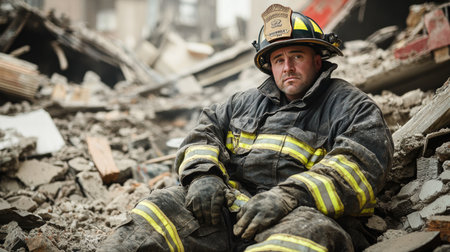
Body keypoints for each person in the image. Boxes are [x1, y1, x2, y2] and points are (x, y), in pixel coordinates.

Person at [99, 4, 394, 252]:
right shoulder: (243, 102)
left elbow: (358, 169)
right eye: (279, 59)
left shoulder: (353, 107)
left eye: (297, 56)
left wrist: (287, 196)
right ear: (269, 66)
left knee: (303, 239)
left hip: (303, 215)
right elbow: (203, 133)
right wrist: (203, 176)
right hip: (232, 209)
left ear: (318, 60)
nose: (287, 67)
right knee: (157, 210)